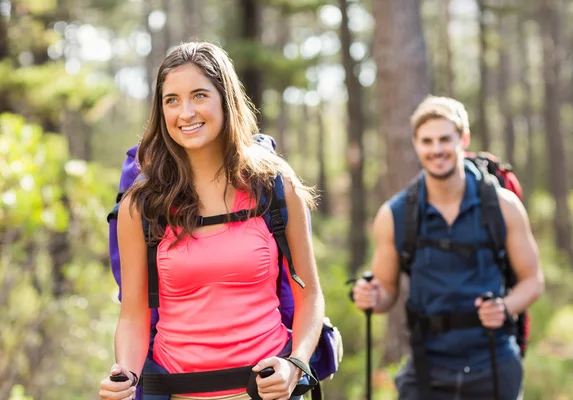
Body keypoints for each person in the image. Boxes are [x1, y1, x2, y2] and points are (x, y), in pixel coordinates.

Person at [98, 41, 325, 400]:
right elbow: (133, 316)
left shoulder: (275, 186)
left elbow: (309, 295)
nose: (185, 112)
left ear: (225, 99)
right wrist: (125, 373)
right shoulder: (141, 206)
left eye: (199, 95)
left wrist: (295, 364)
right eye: (171, 100)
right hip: (178, 392)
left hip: (268, 391)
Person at [352, 96, 544, 400]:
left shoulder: (502, 206)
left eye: (445, 139)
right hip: (427, 368)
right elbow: (385, 294)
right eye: (427, 141)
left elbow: (533, 280)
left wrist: (505, 307)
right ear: (416, 144)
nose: (436, 149)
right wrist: (370, 296)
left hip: (494, 362)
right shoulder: (395, 214)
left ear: (463, 140)